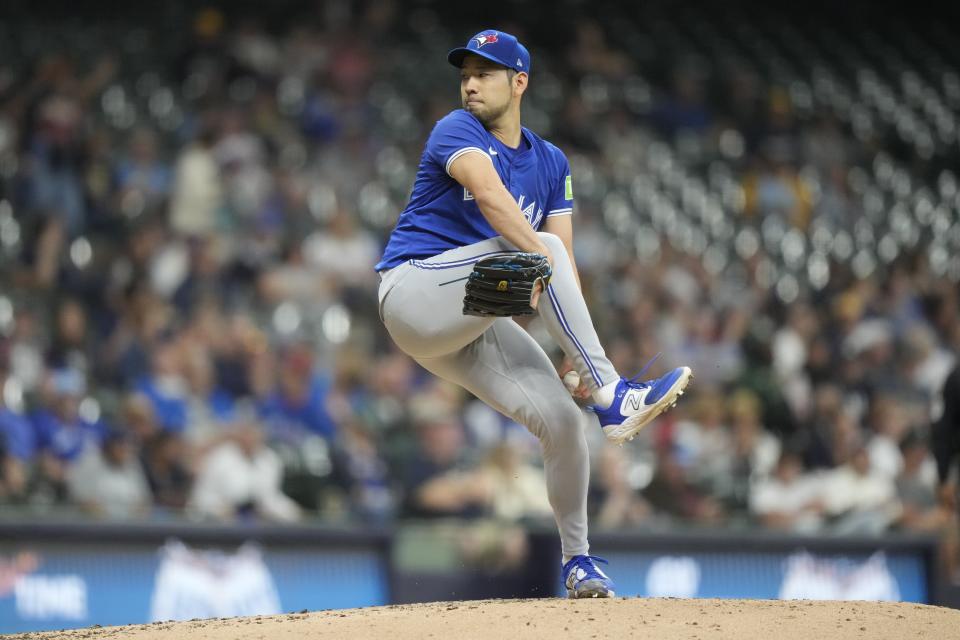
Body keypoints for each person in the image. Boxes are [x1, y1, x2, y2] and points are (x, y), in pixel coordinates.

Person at [375, 29, 692, 598]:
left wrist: (572, 355)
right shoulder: (457, 129)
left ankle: (578, 562)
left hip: (471, 320)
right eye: (465, 73)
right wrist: (584, 358)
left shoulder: (550, 162)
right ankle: (612, 393)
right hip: (413, 291)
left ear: (519, 82)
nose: (470, 83)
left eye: (485, 73)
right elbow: (501, 211)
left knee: (565, 424)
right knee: (537, 248)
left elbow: (559, 261)